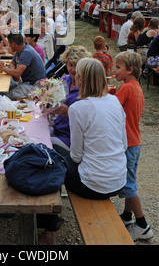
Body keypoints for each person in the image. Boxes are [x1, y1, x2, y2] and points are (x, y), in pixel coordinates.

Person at [38, 58, 127, 245]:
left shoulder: (79, 107)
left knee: (49, 158)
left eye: (76, 74)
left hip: (93, 185)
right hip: (118, 181)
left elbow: (76, 156)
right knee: (55, 153)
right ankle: (49, 228)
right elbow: (124, 145)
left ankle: (49, 231)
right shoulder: (114, 101)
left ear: (81, 80)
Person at [114, 51, 154, 241]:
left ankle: (142, 225)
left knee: (129, 185)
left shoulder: (125, 89)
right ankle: (127, 216)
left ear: (129, 70)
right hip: (135, 142)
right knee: (129, 179)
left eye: (118, 67)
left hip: (127, 143)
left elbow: (112, 108)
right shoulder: (135, 87)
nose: (115, 71)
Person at [43, 45, 92, 152]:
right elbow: (53, 102)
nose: (73, 69)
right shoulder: (64, 80)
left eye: (77, 65)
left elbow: (88, 121)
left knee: (41, 144)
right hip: (57, 129)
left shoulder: (88, 89)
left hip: (71, 138)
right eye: (70, 65)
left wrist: (68, 112)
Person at [0, 33, 46, 100]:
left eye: (9, 44)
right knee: (2, 88)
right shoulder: (20, 49)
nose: (8, 46)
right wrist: (14, 72)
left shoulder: (26, 52)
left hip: (34, 86)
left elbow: (17, 73)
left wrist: (3, 68)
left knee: (5, 96)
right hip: (26, 82)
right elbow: (12, 63)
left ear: (14, 44)